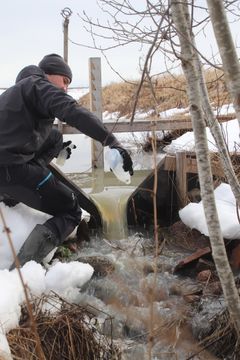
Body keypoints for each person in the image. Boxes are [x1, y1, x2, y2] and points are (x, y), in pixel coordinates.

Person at [0, 54, 133, 270]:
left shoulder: (13, 94)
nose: (65, 88)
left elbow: (29, 134)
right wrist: (111, 141)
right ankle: (22, 270)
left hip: (7, 169)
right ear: (48, 74)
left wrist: (56, 146)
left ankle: (14, 192)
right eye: (65, 80)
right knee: (72, 210)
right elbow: (72, 110)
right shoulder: (38, 85)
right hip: (12, 170)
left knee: (55, 137)